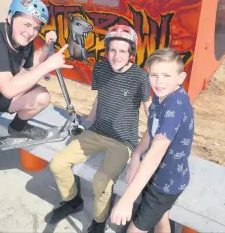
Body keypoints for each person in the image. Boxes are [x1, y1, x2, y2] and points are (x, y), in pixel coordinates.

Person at [45, 25, 151, 233]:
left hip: (123, 140)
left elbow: (148, 109)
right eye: (112, 50)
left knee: (101, 180)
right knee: (58, 163)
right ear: (106, 51)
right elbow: (99, 97)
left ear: (131, 53)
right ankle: (72, 201)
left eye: (122, 51)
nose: (116, 56)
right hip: (97, 131)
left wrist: (153, 142)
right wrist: (88, 121)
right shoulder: (101, 69)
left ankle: (99, 221)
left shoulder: (140, 77)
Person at [0, 0, 73, 184]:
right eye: (26, 24)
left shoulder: (22, 41)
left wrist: (47, 47)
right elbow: (10, 89)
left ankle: (17, 128)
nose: (31, 32)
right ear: (10, 17)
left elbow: (29, 66)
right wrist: (48, 66)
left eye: (36, 27)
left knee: (41, 96)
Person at [111, 48, 194, 233]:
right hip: (155, 175)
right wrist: (136, 156)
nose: (159, 81)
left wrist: (127, 199)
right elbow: (152, 129)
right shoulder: (160, 96)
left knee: (134, 230)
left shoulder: (176, 106)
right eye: (154, 75)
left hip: (165, 184)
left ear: (181, 78)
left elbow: (157, 151)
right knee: (160, 218)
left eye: (166, 75)